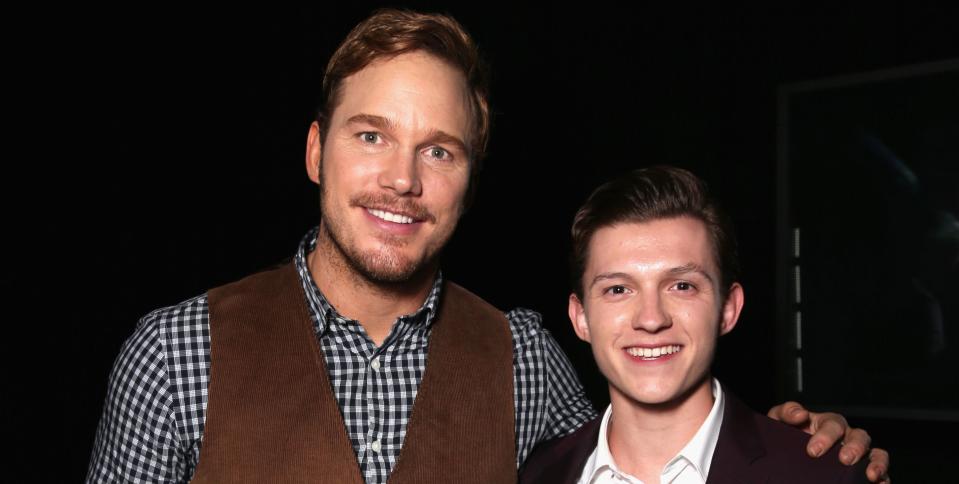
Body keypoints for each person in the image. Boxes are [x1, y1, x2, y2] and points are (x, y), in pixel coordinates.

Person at [87, 9, 887, 484]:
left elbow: (651, 439)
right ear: (314, 152)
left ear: (467, 180)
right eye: (372, 136)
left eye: (439, 151)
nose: (401, 180)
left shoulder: (524, 359)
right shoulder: (176, 351)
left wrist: (795, 446)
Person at [520, 166, 875, 483]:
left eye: (682, 286)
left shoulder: (824, 475)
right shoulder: (538, 475)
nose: (651, 318)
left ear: (728, 309)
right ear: (580, 317)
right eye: (618, 289)